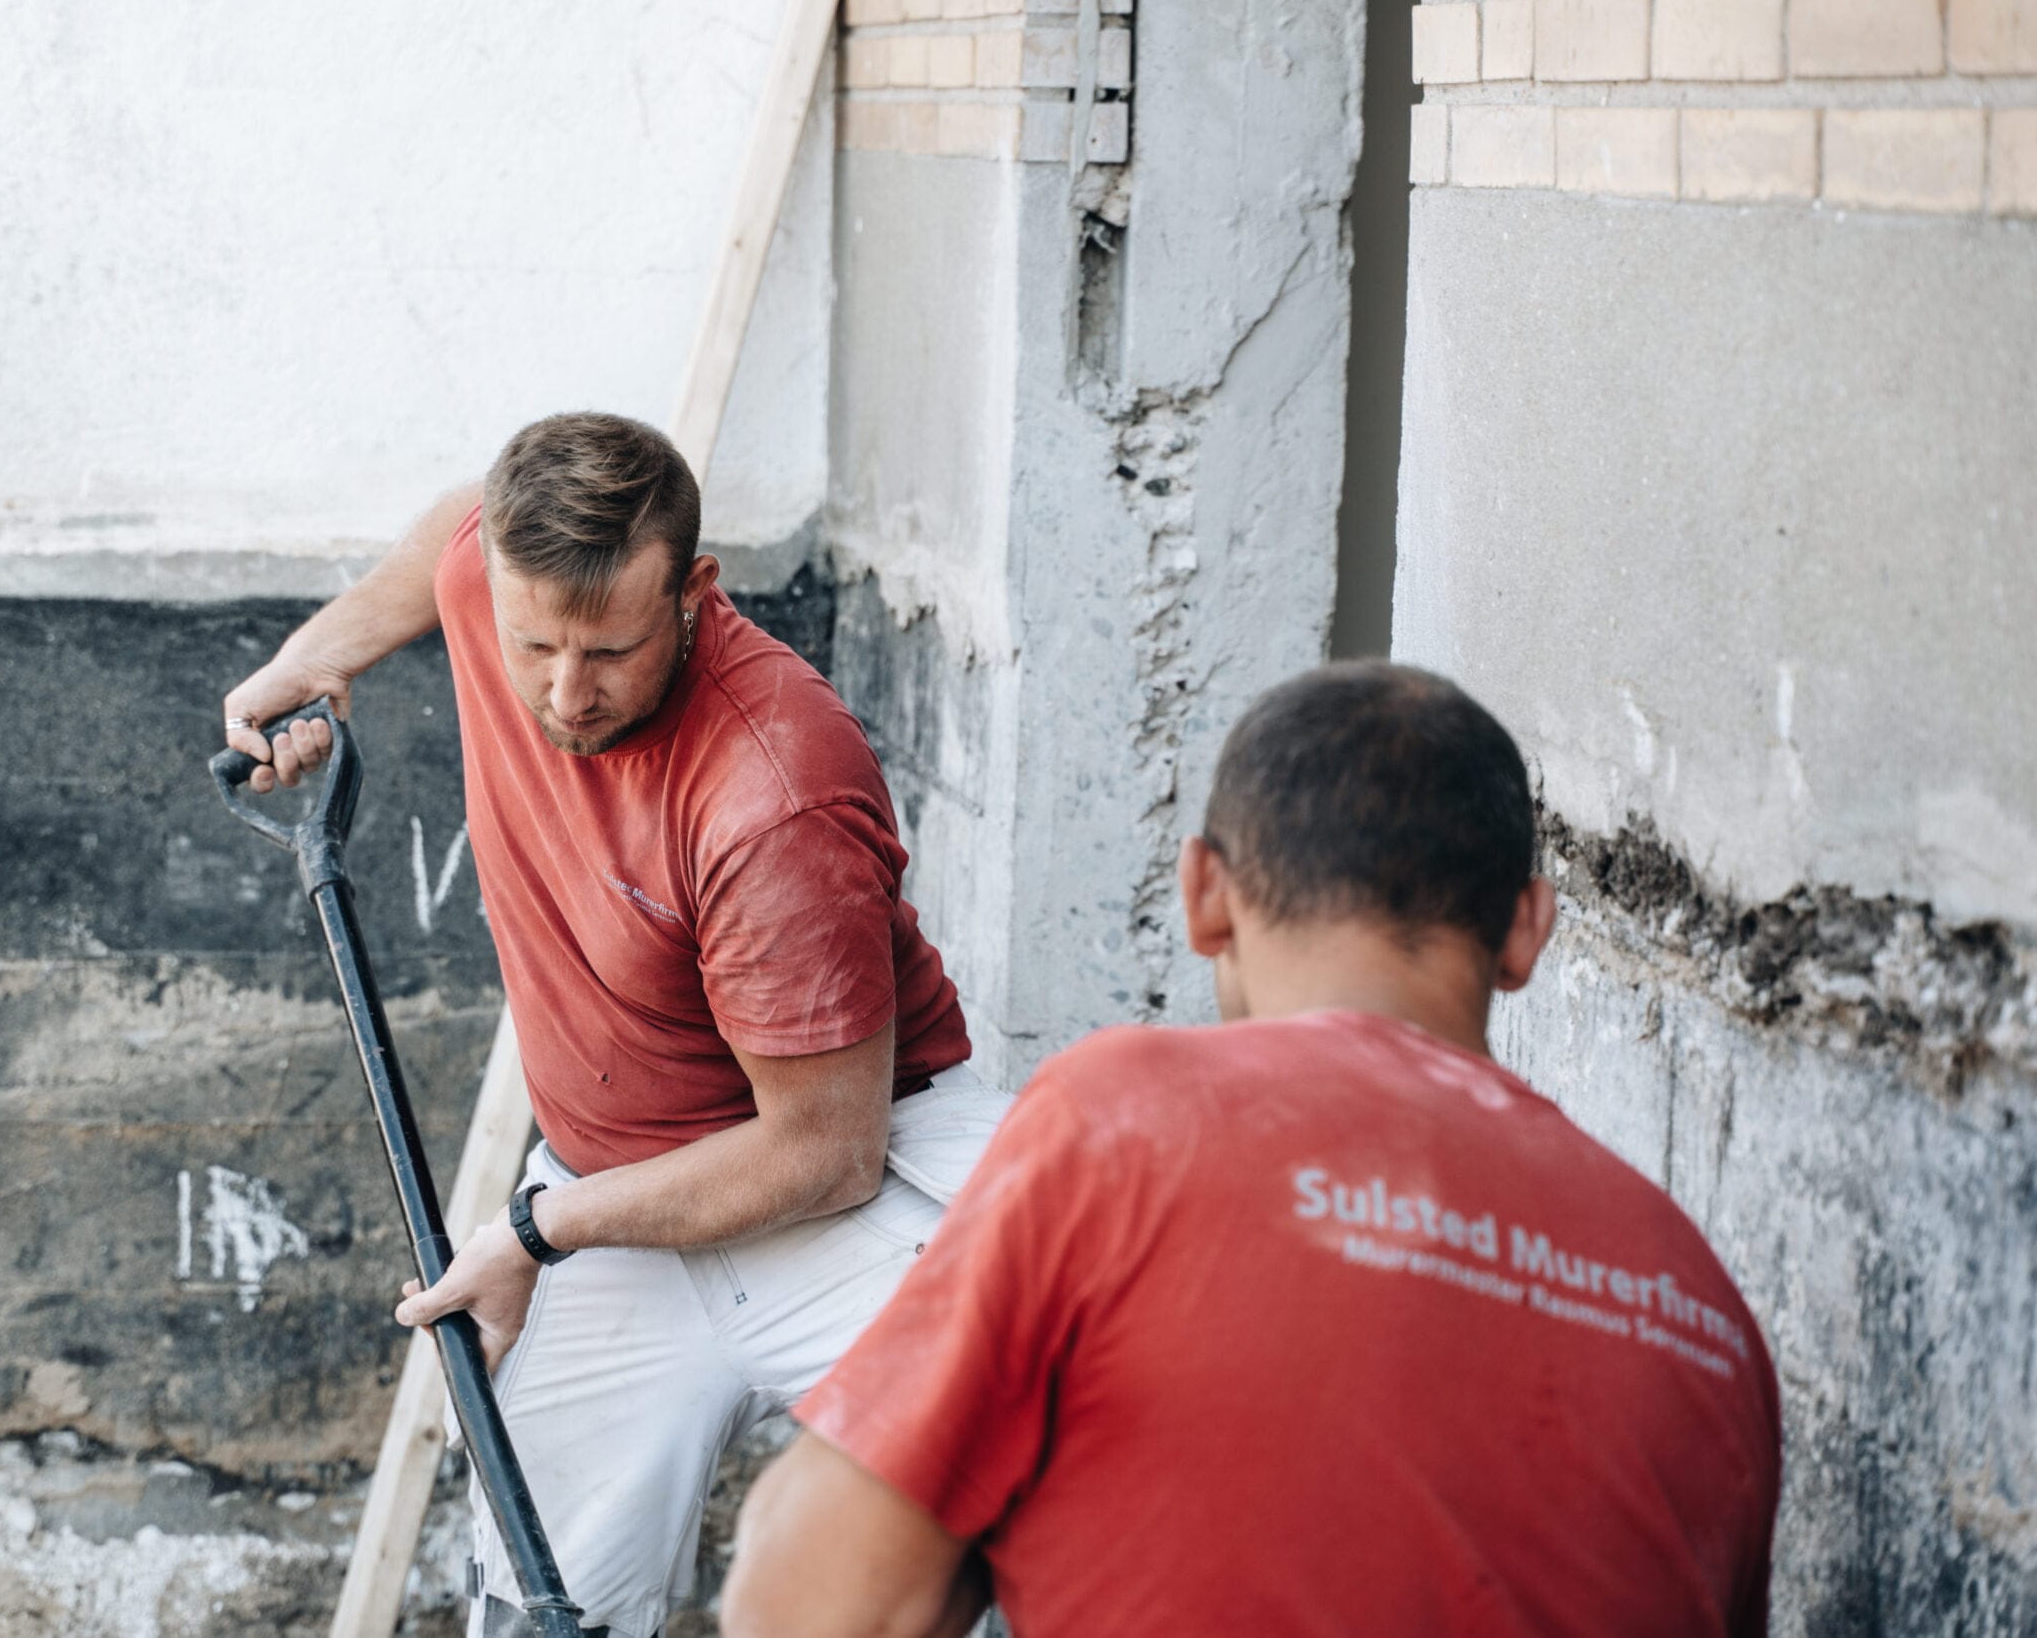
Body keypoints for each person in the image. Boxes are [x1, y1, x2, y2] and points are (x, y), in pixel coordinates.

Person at [721, 662, 1783, 1638]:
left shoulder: (1128, 1124)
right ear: (1525, 930)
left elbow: (799, 1605)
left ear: (1204, 896)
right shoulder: (1704, 1310)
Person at [223, 412, 1000, 1638]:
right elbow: (457, 528)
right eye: (533, 645)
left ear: (693, 592)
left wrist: (533, 1232)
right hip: (617, 1201)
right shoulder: (500, 576)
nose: (565, 693)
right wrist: (321, 653)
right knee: (542, 1607)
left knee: (1032, 1498)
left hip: (852, 1197)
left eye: (610, 651)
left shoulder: (771, 792)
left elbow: (826, 1151)